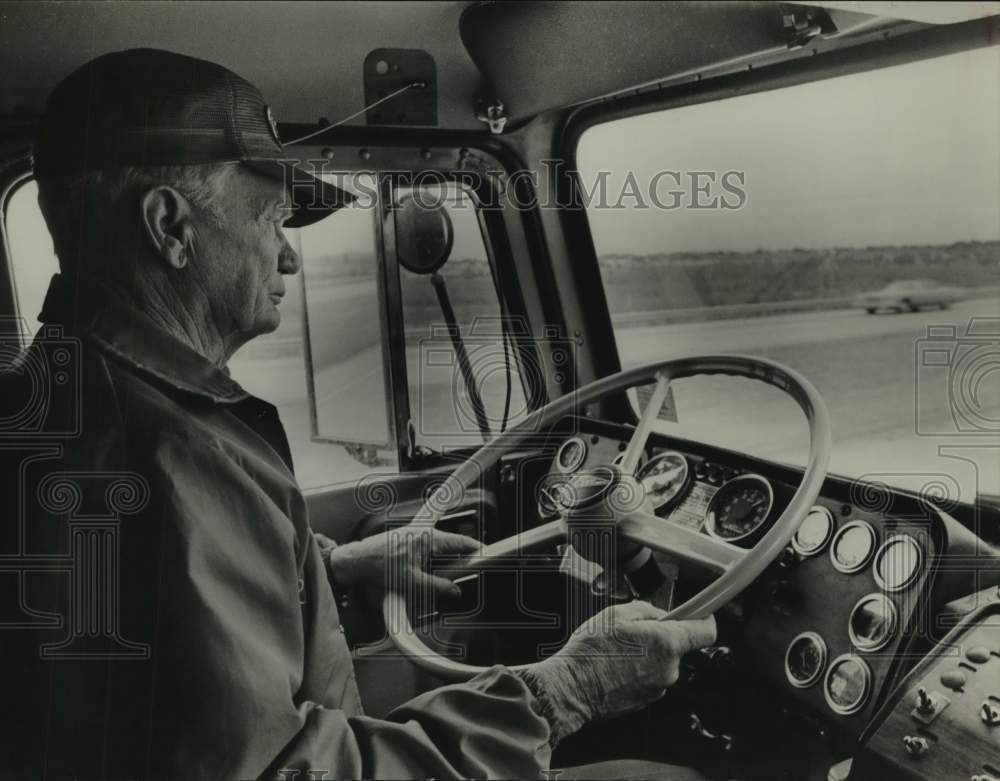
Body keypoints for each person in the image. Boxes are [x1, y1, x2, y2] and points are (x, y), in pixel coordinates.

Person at [0, 48, 716, 780]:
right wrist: (563, 692)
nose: (288, 258)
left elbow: (160, 664)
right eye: (272, 220)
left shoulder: (52, 401)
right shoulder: (169, 454)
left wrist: (334, 577)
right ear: (169, 226)